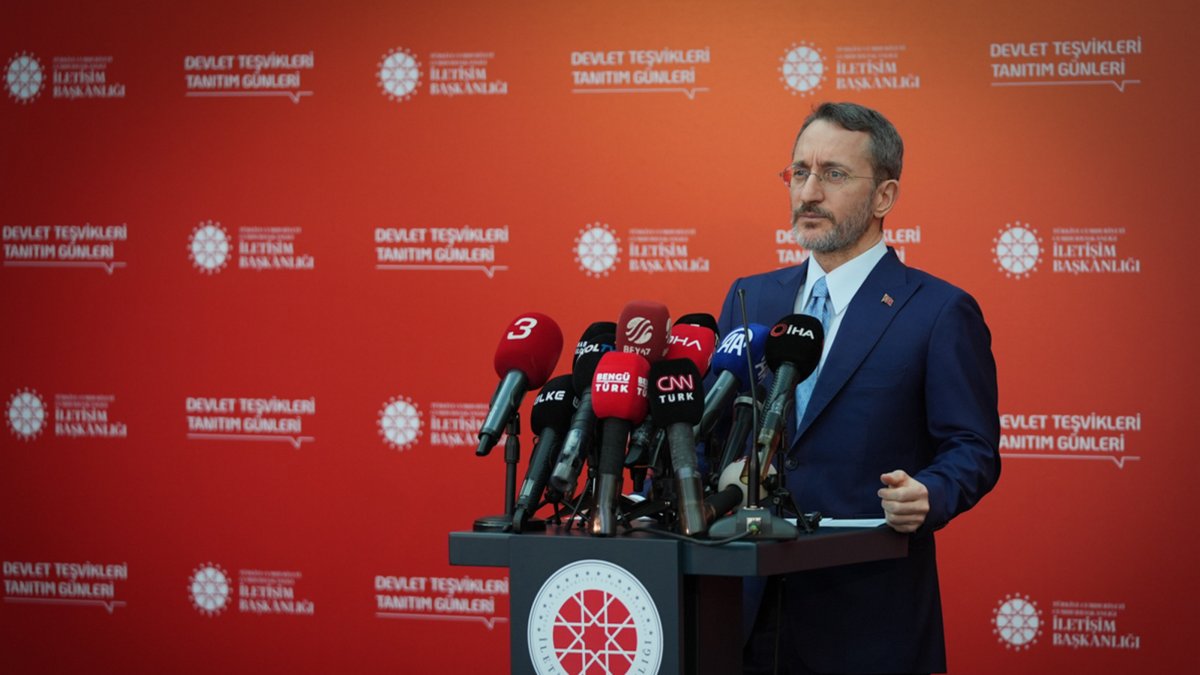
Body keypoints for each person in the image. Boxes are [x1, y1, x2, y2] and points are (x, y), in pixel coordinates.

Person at [714, 102, 1001, 674]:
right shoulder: (750, 299)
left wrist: (931, 492)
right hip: (742, 613)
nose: (809, 193)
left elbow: (972, 448)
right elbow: (713, 429)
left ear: (884, 197)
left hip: (867, 619)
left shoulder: (939, 311)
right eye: (799, 172)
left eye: (833, 174)